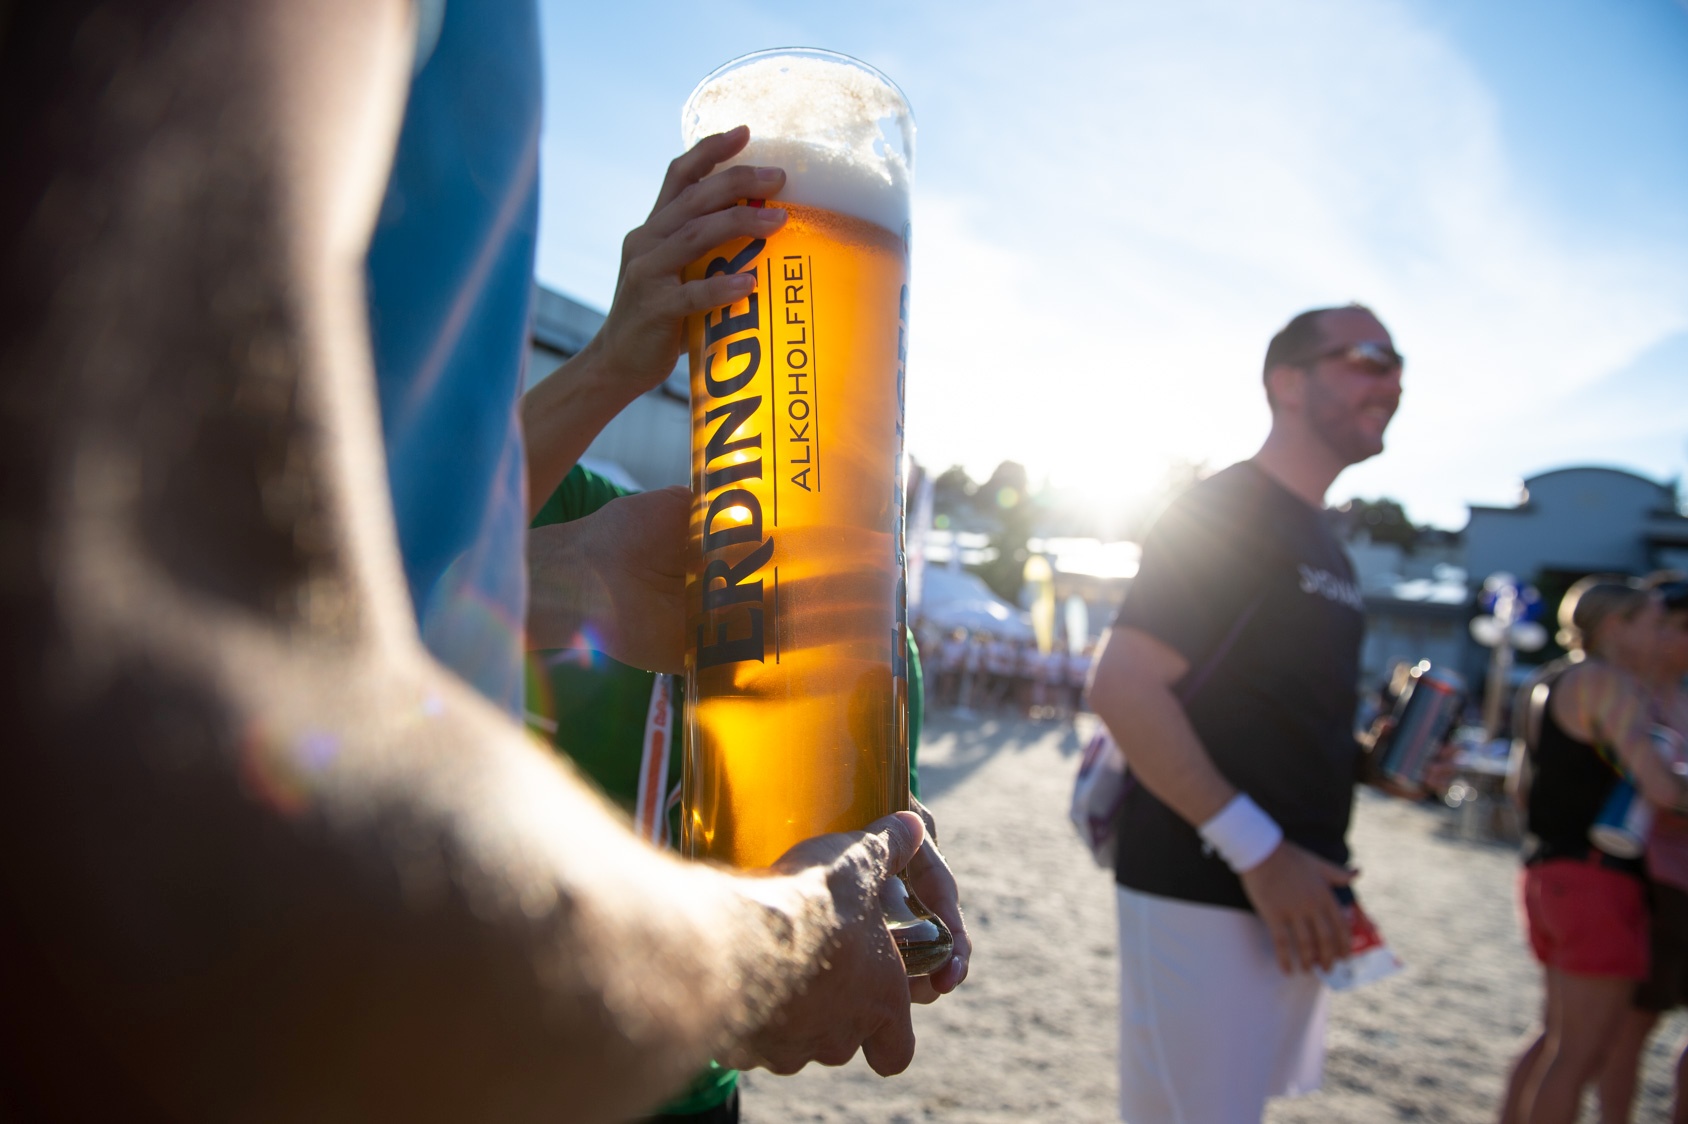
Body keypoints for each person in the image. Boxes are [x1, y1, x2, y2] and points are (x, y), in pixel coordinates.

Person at [1, 4, 958, 1119]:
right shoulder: (580, 503)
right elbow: (154, 685)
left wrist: (827, 903)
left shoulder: (816, 623)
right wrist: (763, 953)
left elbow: (372, 583)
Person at [1086, 304, 1447, 1122]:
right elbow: (1123, 686)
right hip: (1211, 879)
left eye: (1399, 365)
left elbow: (1280, 717)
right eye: (1369, 358)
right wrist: (1262, 853)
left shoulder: (1326, 540)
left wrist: (1379, 763)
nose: (1393, 381)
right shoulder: (1227, 509)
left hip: (1290, 891)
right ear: (1287, 381)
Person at [1498, 577, 1688, 1124]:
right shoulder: (1605, 683)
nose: (1659, 636)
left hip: (1548, 871)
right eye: (1652, 623)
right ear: (1614, 627)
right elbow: (1661, 789)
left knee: (1557, 1040)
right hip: (1597, 879)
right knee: (1581, 1054)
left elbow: (1520, 788)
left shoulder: (1550, 679)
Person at [1595, 575, 1688, 1124]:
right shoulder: (1622, 697)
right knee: (1629, 1026)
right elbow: (1648, 790)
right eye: (1675, 627)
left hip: (1674, 879)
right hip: (1648, 880)